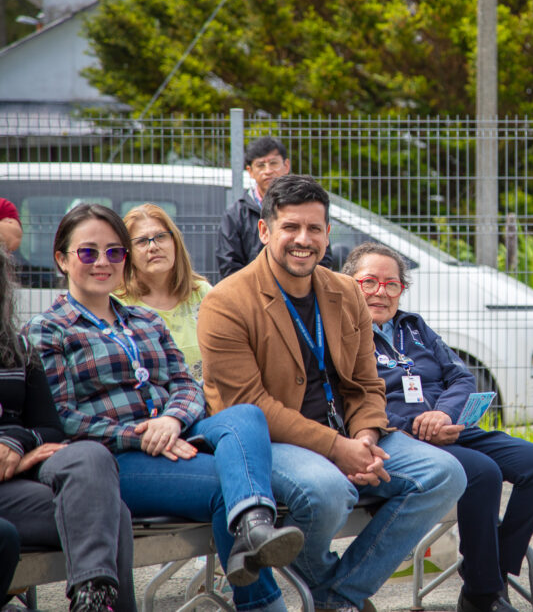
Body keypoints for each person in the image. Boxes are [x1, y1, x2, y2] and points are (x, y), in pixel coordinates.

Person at [198, 175, 466, 612]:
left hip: (349, 433)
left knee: (446, 474)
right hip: (270, 441)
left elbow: (366, 384)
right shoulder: (226, 302)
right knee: (328, 491)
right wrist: (339, 450)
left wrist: (365, 439)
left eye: (314, 228)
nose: (303, 240)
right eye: (290, 227)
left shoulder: (345, 292)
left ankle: (336, 597)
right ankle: (336, 596)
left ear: (327, 234)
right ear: (264, 230)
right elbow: (250, 407)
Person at [23, 203, 305, 612]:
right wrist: (142, 436)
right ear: (62, 260)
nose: (103, 262)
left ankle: (254, 529)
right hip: (114, 459)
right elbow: (63, 418)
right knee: (229, 487)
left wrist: (171, 420)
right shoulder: (48, 330)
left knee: (246, 415)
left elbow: (186, 384)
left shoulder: (145, 320)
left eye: (114, 252)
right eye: (88, 252)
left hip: (176, 434)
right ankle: (261, 594)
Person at [342, 242, 533, 612]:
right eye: (369, 282)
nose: (382, 292)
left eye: (392, 284)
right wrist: (416, 428)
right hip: (399, 438)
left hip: (449, 426)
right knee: (482, 472)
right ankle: (483, 594)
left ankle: (492, 573)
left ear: (402, 289)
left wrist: (443, 414)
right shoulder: (343, 334)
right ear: (349, 285)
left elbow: (461, 377)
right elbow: (353, 398)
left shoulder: (414, 327)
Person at [0, 248, 136, 612]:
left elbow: (49, 427)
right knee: (113, 515)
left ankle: (93, 598)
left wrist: (18, 443)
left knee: (91, 457)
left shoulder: (16, 347)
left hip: (19, 476)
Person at [117, 204, 212, 384]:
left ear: (175, 242)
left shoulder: (202, 293)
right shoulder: (117, 302)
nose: (153, 247)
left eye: (160, 237)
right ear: (128, 253)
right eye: (142, 241)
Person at [216, 137, 333, 277]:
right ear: (250, 171)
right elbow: (229, 263)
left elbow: (323, 256)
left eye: (273, 163)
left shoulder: (308, 205)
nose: (268, 171)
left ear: (286, 165)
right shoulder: (236, 214)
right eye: (260, 165)